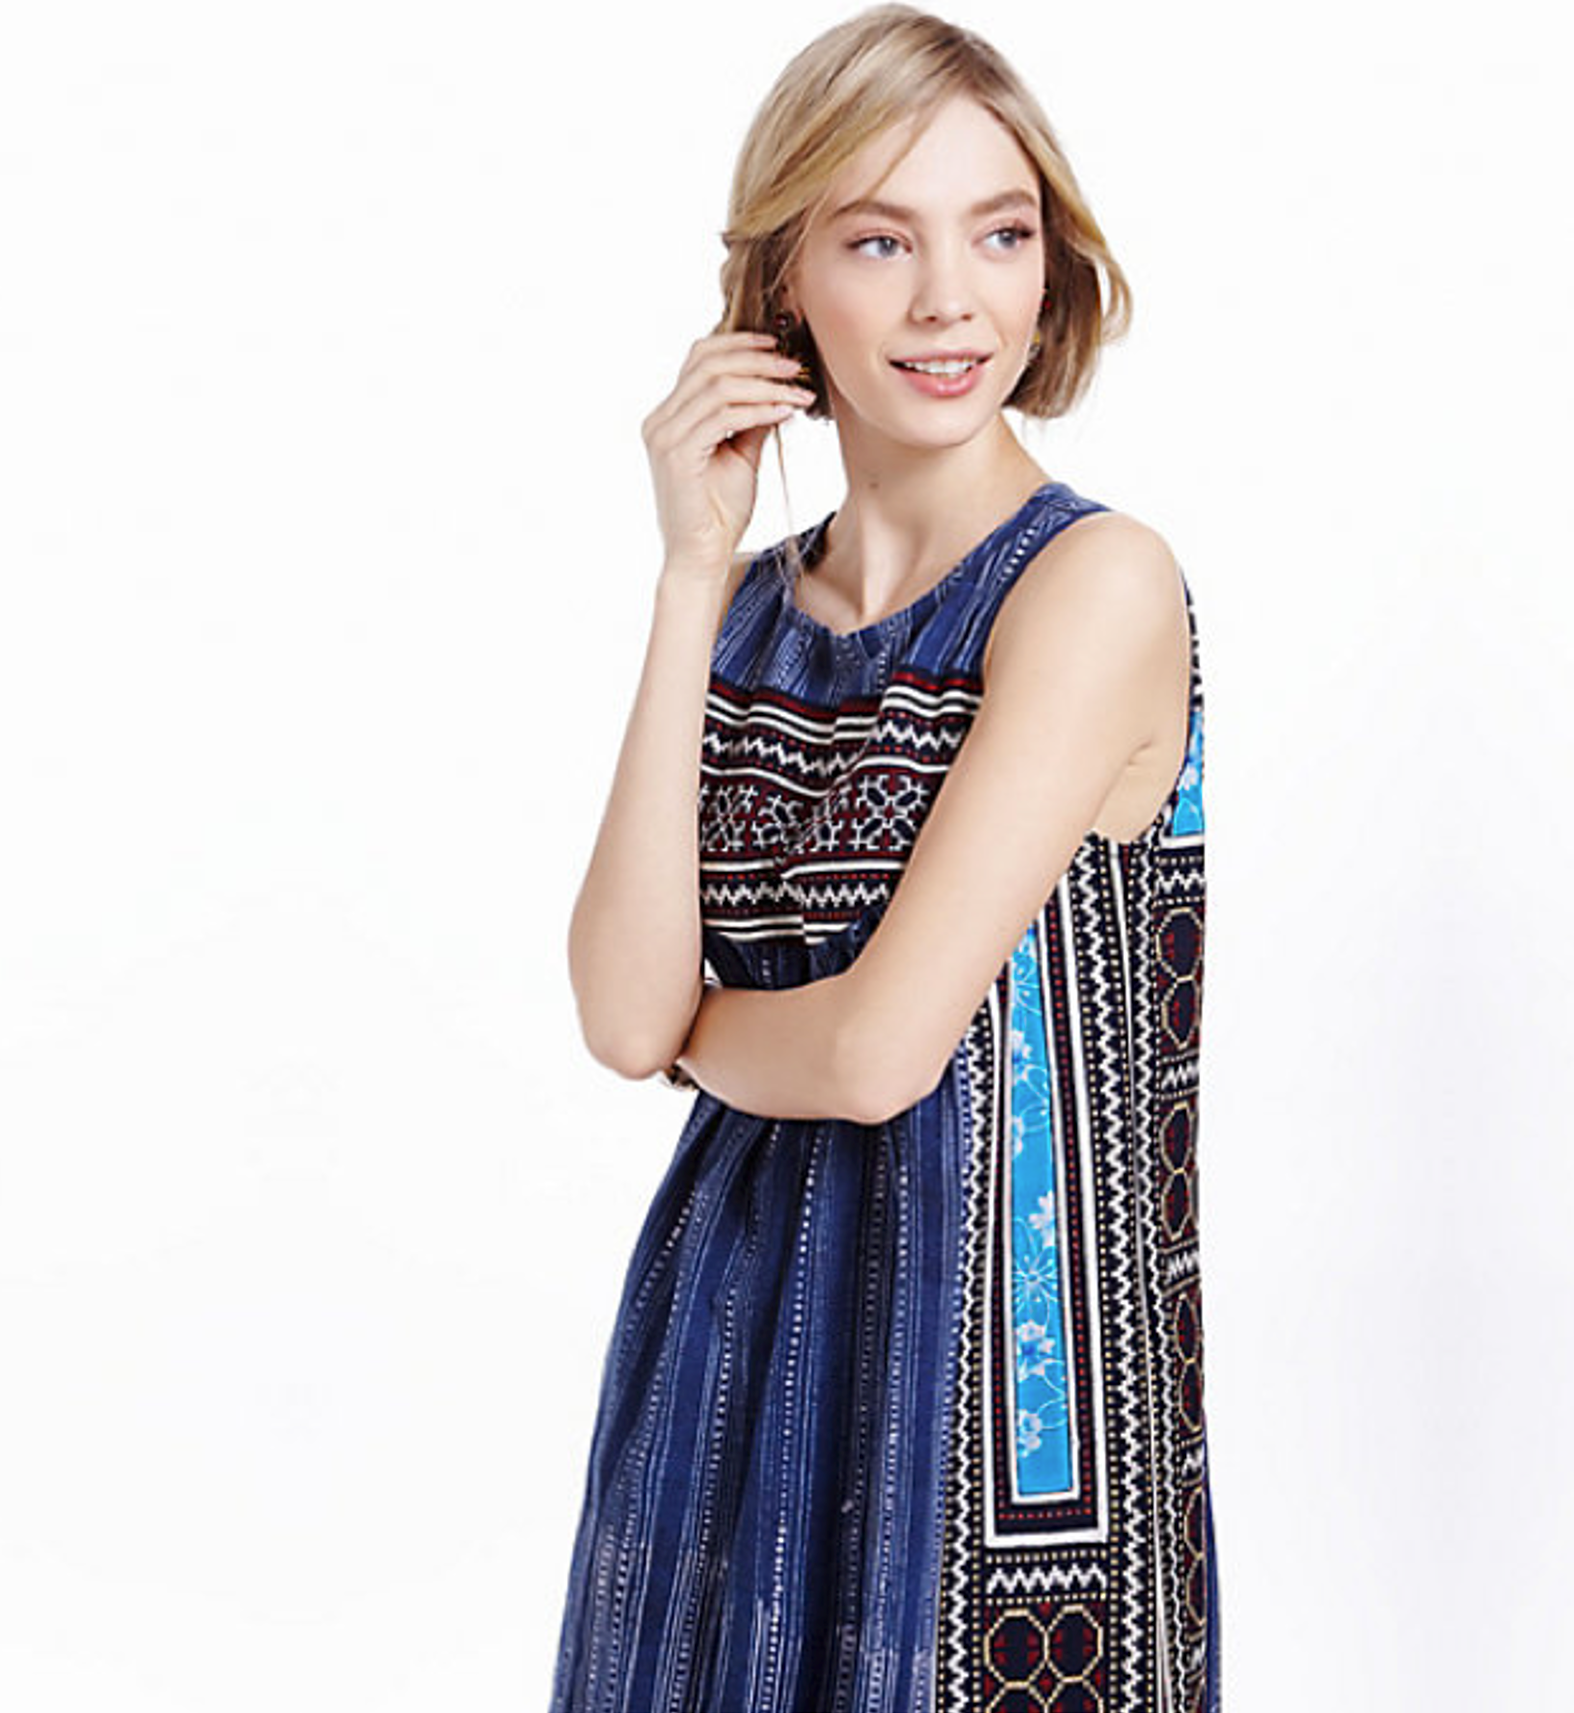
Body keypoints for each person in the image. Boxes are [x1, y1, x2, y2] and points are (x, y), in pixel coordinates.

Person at [547, 6, 1219, 1710]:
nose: (950, 301)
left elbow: (871, 1052)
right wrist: (686, 572)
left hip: (999, 1422)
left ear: (1050, 270)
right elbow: (616, 1006)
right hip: (729, 1358)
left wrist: (699, 1031)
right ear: (785, 285)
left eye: (999, 234)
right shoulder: (744, 607)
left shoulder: (1095, 584)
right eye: (878, 240)